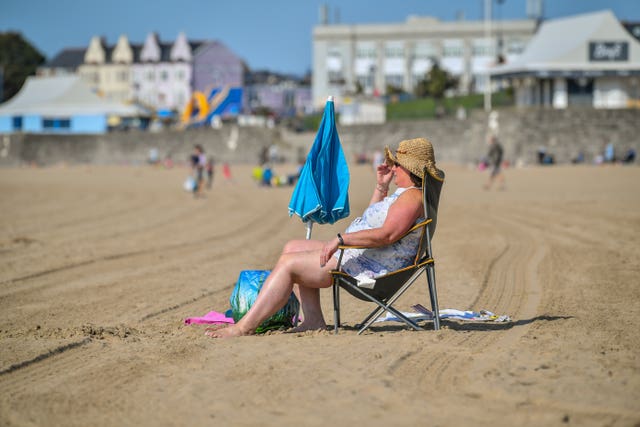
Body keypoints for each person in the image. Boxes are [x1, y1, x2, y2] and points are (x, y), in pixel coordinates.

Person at [206, 137, 444, 338]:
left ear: (410, 169)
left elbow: (386, 234)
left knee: (290, 265)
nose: (392, 168)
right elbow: (373, 219)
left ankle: (244, 327)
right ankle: (313, 319)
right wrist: (381, 187)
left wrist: (340, 240)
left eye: (397, 165)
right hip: (365, 256)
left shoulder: (412, 198)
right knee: (293, 246)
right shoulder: (407, 195)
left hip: (371, 269)